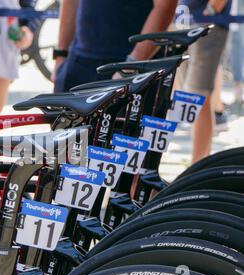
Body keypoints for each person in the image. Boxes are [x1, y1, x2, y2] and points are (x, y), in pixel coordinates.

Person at [53, 0, 178, 93]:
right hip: (77, 62)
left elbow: (165, 7)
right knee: (64, 127)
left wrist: (132, 65)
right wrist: (61, 54)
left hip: (130, 67)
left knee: (124, 128)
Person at [177, 0, 232, 163]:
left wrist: (212, 10)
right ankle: (196, 164)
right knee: (187, 98)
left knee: (198, 97)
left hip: (206, 22)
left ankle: (197, 164)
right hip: (182, 20)